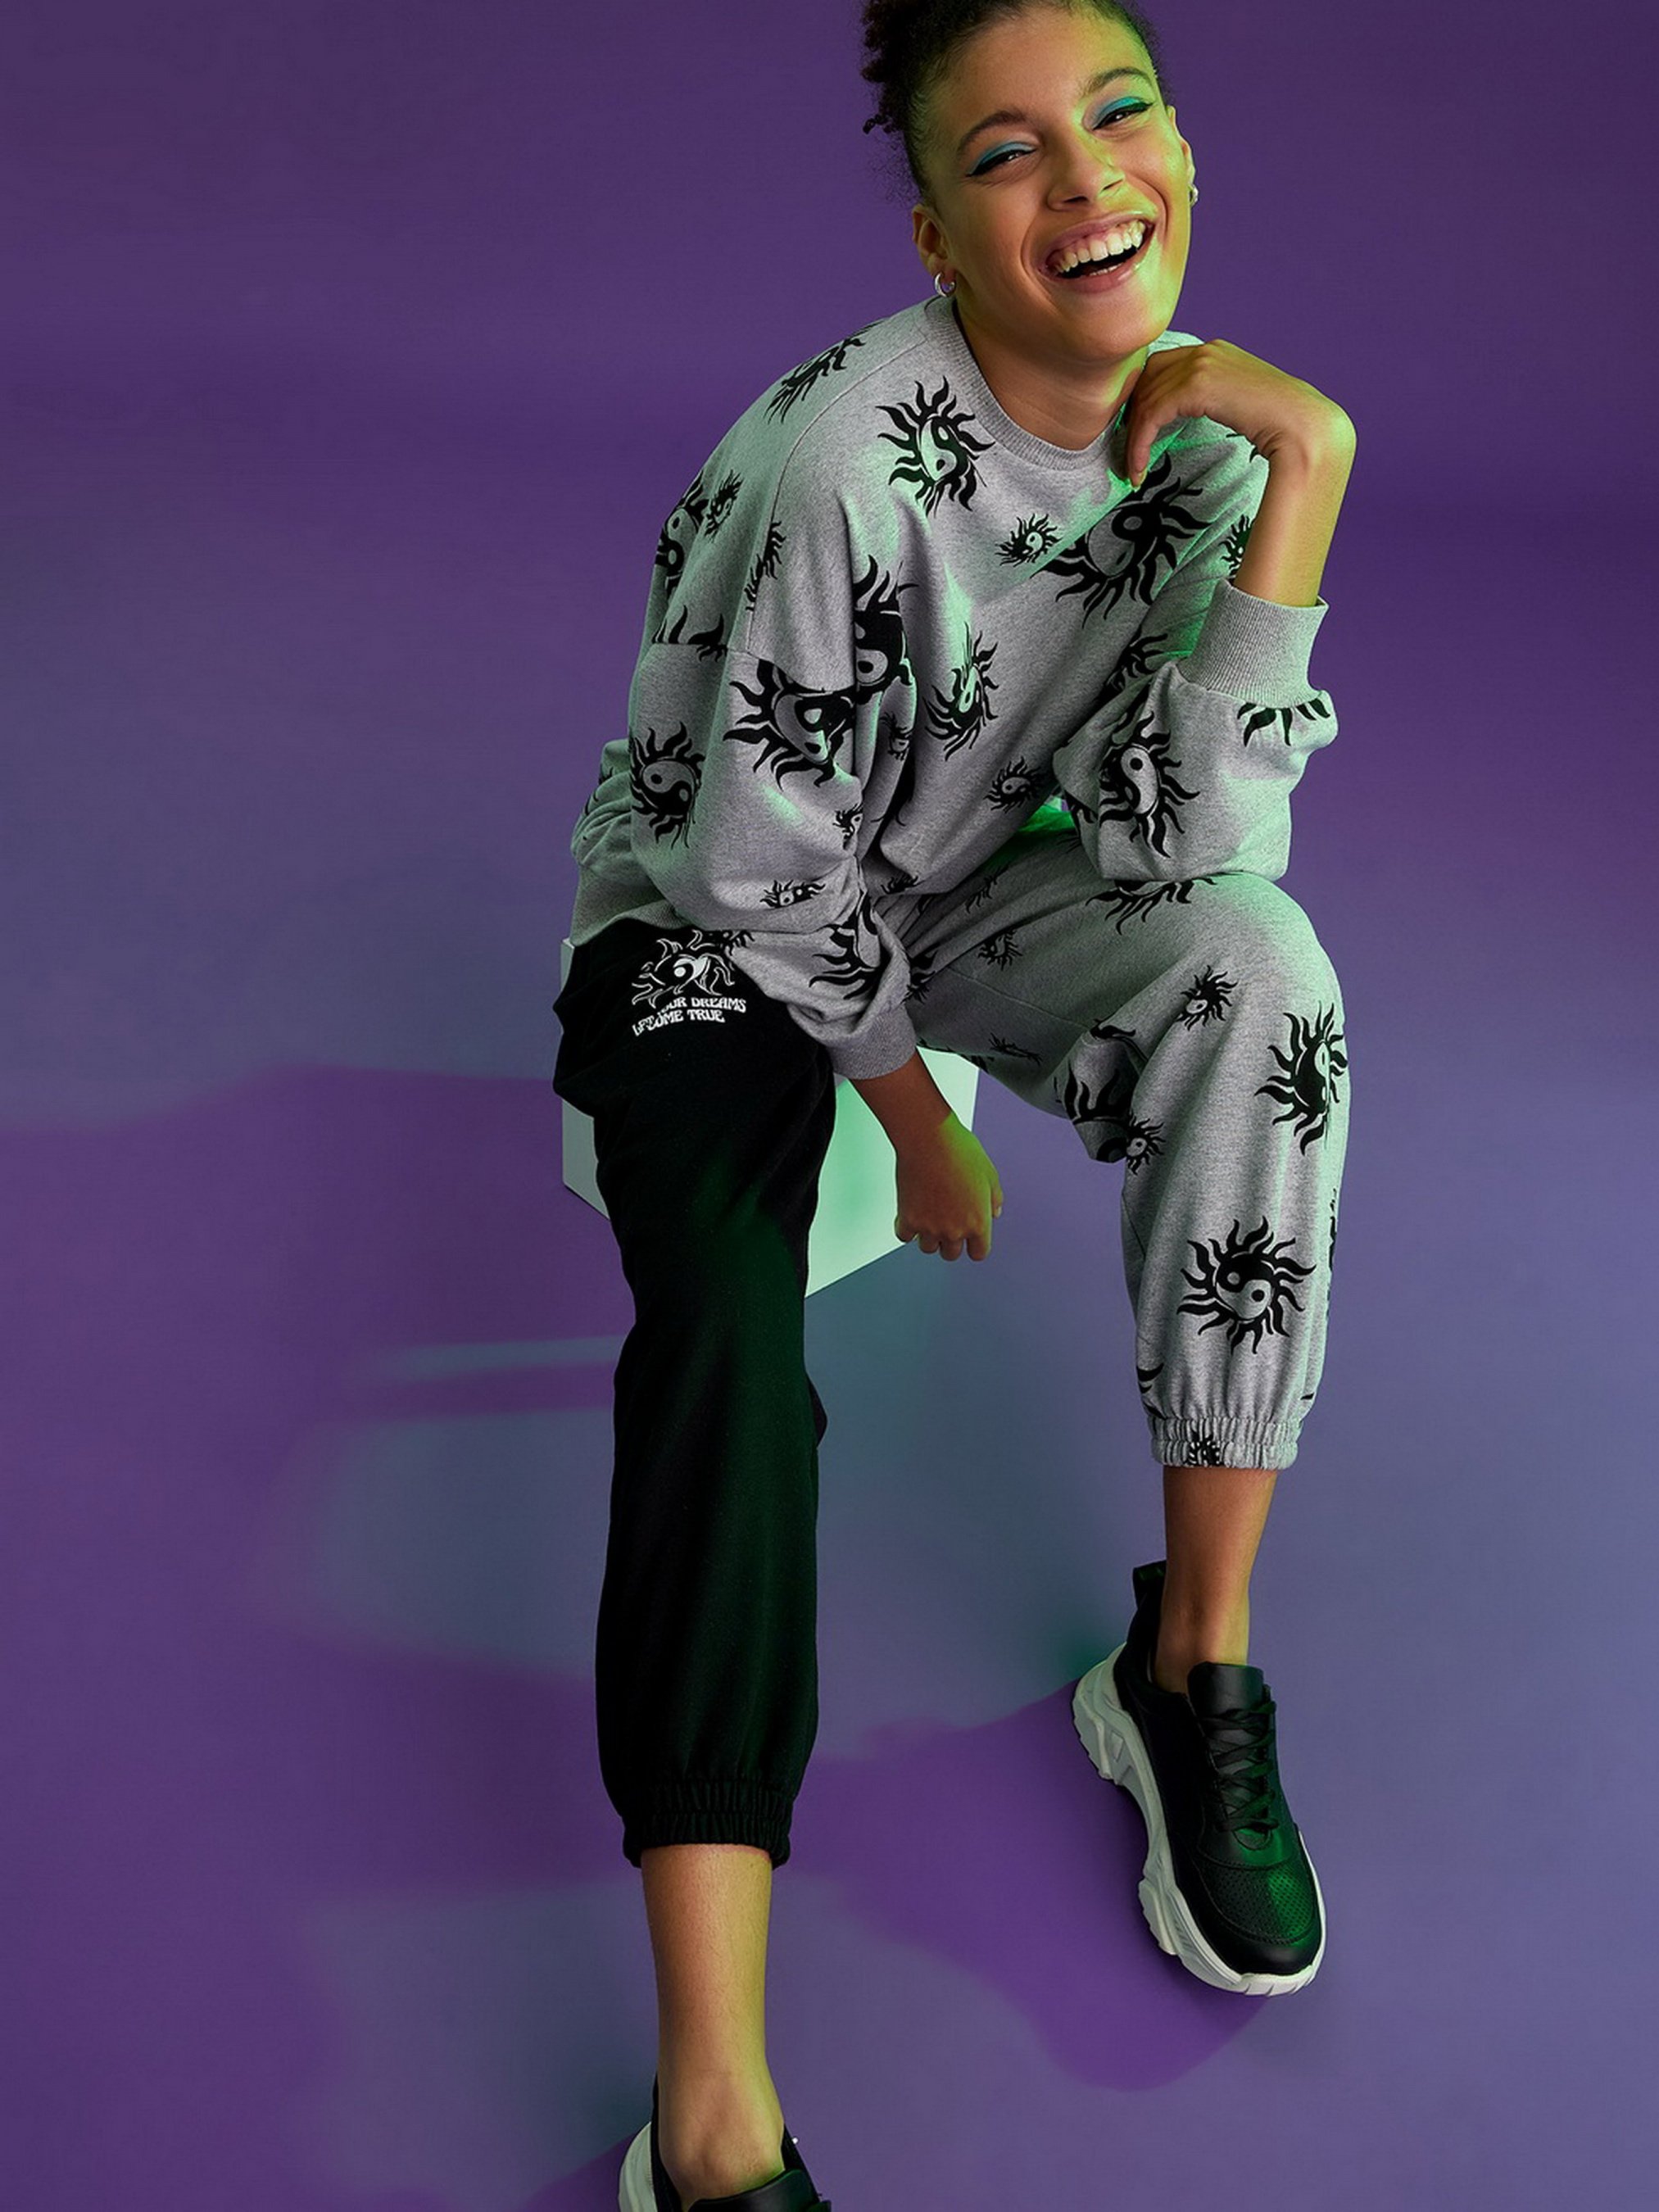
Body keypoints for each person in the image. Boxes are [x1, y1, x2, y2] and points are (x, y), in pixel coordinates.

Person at [552, 4, 1358, 2205]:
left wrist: (1301, 486)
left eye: (1118, 114)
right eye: (1005, 153)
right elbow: (750, 864)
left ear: (1177, 149)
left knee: (1266, 982)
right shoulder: (847, 458)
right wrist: (909, 1116)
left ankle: (1186, 1667)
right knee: (726, 1343)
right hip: (715, 915)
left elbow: (1196, 845)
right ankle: (710, 2119)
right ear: (935, 233)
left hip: (978, 888)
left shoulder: (1206, 442)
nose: (1084, 176)